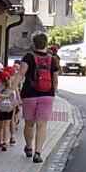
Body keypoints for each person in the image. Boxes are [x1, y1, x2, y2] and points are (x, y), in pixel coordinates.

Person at [19, 32, 60, 164]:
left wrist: (12, 90)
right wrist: (53, 94)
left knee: (29, 124)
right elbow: (55, 80)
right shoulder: (52, 59)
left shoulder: (28, 57)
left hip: (29, 95)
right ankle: (38, 153)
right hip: (47, 96)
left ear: (33, 43)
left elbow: (20, 74)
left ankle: (29, 148)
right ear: (46, 43)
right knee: (42, 125)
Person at [0, 63, 17, 152]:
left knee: (0, 126)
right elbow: (14, 99)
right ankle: (5, 142)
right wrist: (13, 106)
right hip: (9, 108)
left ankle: (0, 141)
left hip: (0, 108)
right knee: (6, 126)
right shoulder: (11, 88)